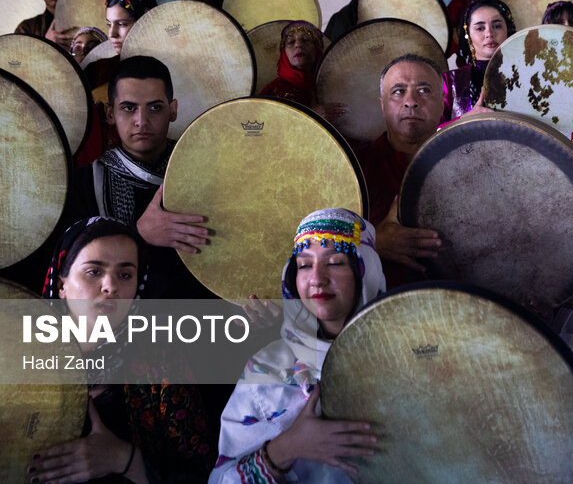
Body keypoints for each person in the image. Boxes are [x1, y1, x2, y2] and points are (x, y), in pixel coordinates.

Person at [31, 216, 216, 483]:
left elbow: (206, 475)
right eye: (94, 271)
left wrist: (124, 460)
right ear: (62, 286)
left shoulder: (160, 365)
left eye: (125, 274)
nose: (111, 286)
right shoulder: (14, 357)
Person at [211, 208, 383, 483]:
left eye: (336, 261)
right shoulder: (267, 367)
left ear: (366, 271)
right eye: (304, 265)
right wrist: (285, 449)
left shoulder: (409, 354)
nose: (317, 278)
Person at [67, 56, 211, 298]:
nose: (141, 121)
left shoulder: (204, 172)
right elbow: (72, 272)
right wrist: (138, 236)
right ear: (110, 113)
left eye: (155, 107)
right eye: (129, 108)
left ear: (173, 110)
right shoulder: (84, 184)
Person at [354, 54, 445, 285]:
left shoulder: (471, 162)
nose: (411, 101)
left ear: (443, 102)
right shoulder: (352, 164)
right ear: (382, 104)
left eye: (424, 90)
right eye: (398, 91)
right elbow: (313, 245)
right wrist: (373, 240)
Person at [443, 0, 515, 121]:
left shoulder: (528, 77)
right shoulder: (449, 81)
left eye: (497, 26)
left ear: (507, 31)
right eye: (480, 28)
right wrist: (465, 119)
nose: (489, 33)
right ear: (468, 36)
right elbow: (430, 134)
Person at [84, 0, 158, 89]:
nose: (112, 34)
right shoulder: (96, 70)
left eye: (122, 24)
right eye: (109, 24)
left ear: (146, 24)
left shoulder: (170, 68)